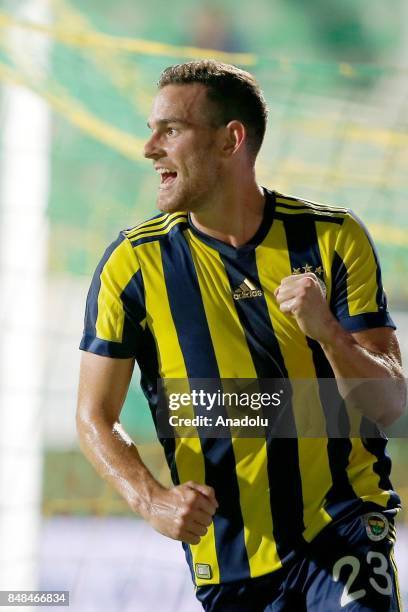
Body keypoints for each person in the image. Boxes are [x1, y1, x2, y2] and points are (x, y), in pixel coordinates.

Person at [77, 60, 405, 611]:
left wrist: (330, 335)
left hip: (343, 525)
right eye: (151, 129)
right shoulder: (132, 266)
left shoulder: (331, 238)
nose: (149, 148)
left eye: (171, 130)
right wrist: (151, 499)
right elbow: (94, 417)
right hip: (231, 558)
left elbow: (391, 403)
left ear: (231, 141)